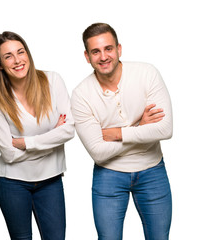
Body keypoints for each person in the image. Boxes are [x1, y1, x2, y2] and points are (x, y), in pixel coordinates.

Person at [71, 23, 173, 240]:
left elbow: (165, 129)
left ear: (119, 49)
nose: (103, 56)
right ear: (87, 57)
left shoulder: (147, 73)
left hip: (152, 170)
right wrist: (141, 127)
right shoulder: (81, 95)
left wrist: (118, 133)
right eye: (95, 51)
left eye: (108, 48)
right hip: (109, 174)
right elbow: (98, 152)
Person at [0, 31, 74, 240]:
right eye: (8, 56)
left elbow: (69, 129)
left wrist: (24, 143)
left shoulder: (52, 81)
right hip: (13, 183)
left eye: (21, 52)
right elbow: (9, 155)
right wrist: (52, 138)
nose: (17, 60)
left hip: (51, 180)